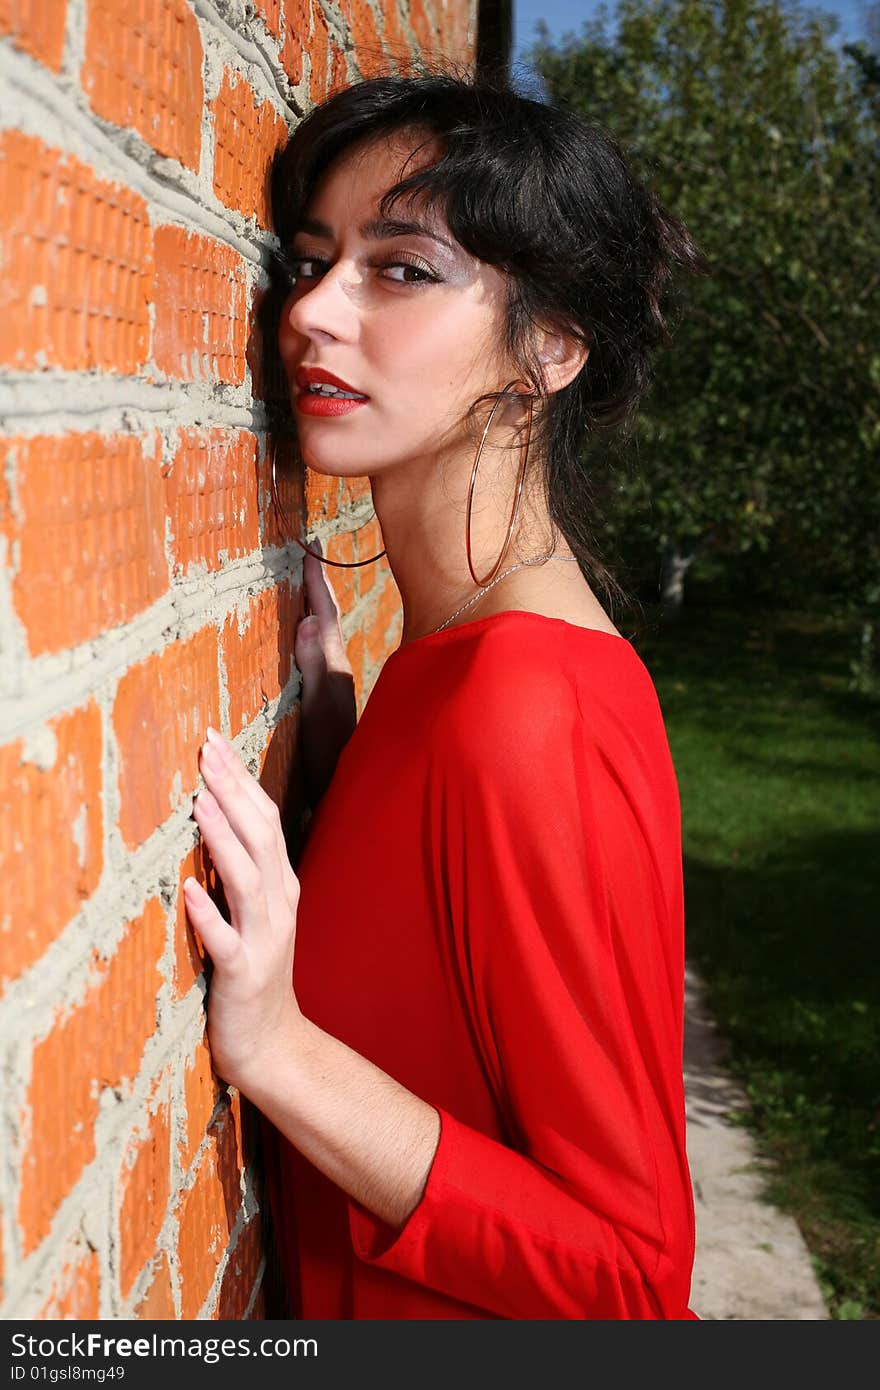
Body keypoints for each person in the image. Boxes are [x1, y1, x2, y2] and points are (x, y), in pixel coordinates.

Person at [183, 70, 706, 1320]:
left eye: (402, 270)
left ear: (550, 348)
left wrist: (279, 1051)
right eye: (312, 259)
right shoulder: (453, 675)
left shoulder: (525, 711)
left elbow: (629, 1281)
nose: (312, 311)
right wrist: (340, 738)